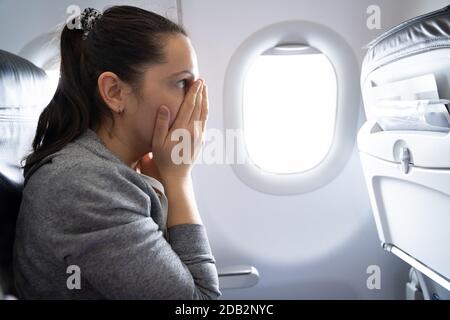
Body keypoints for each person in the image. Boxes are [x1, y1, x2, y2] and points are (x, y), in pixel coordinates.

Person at [13, 5, 221, 299]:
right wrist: (178, 180)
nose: (196, 101)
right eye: (182, 83)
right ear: (114, 92)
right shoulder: (83, 185)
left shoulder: (114, 171)